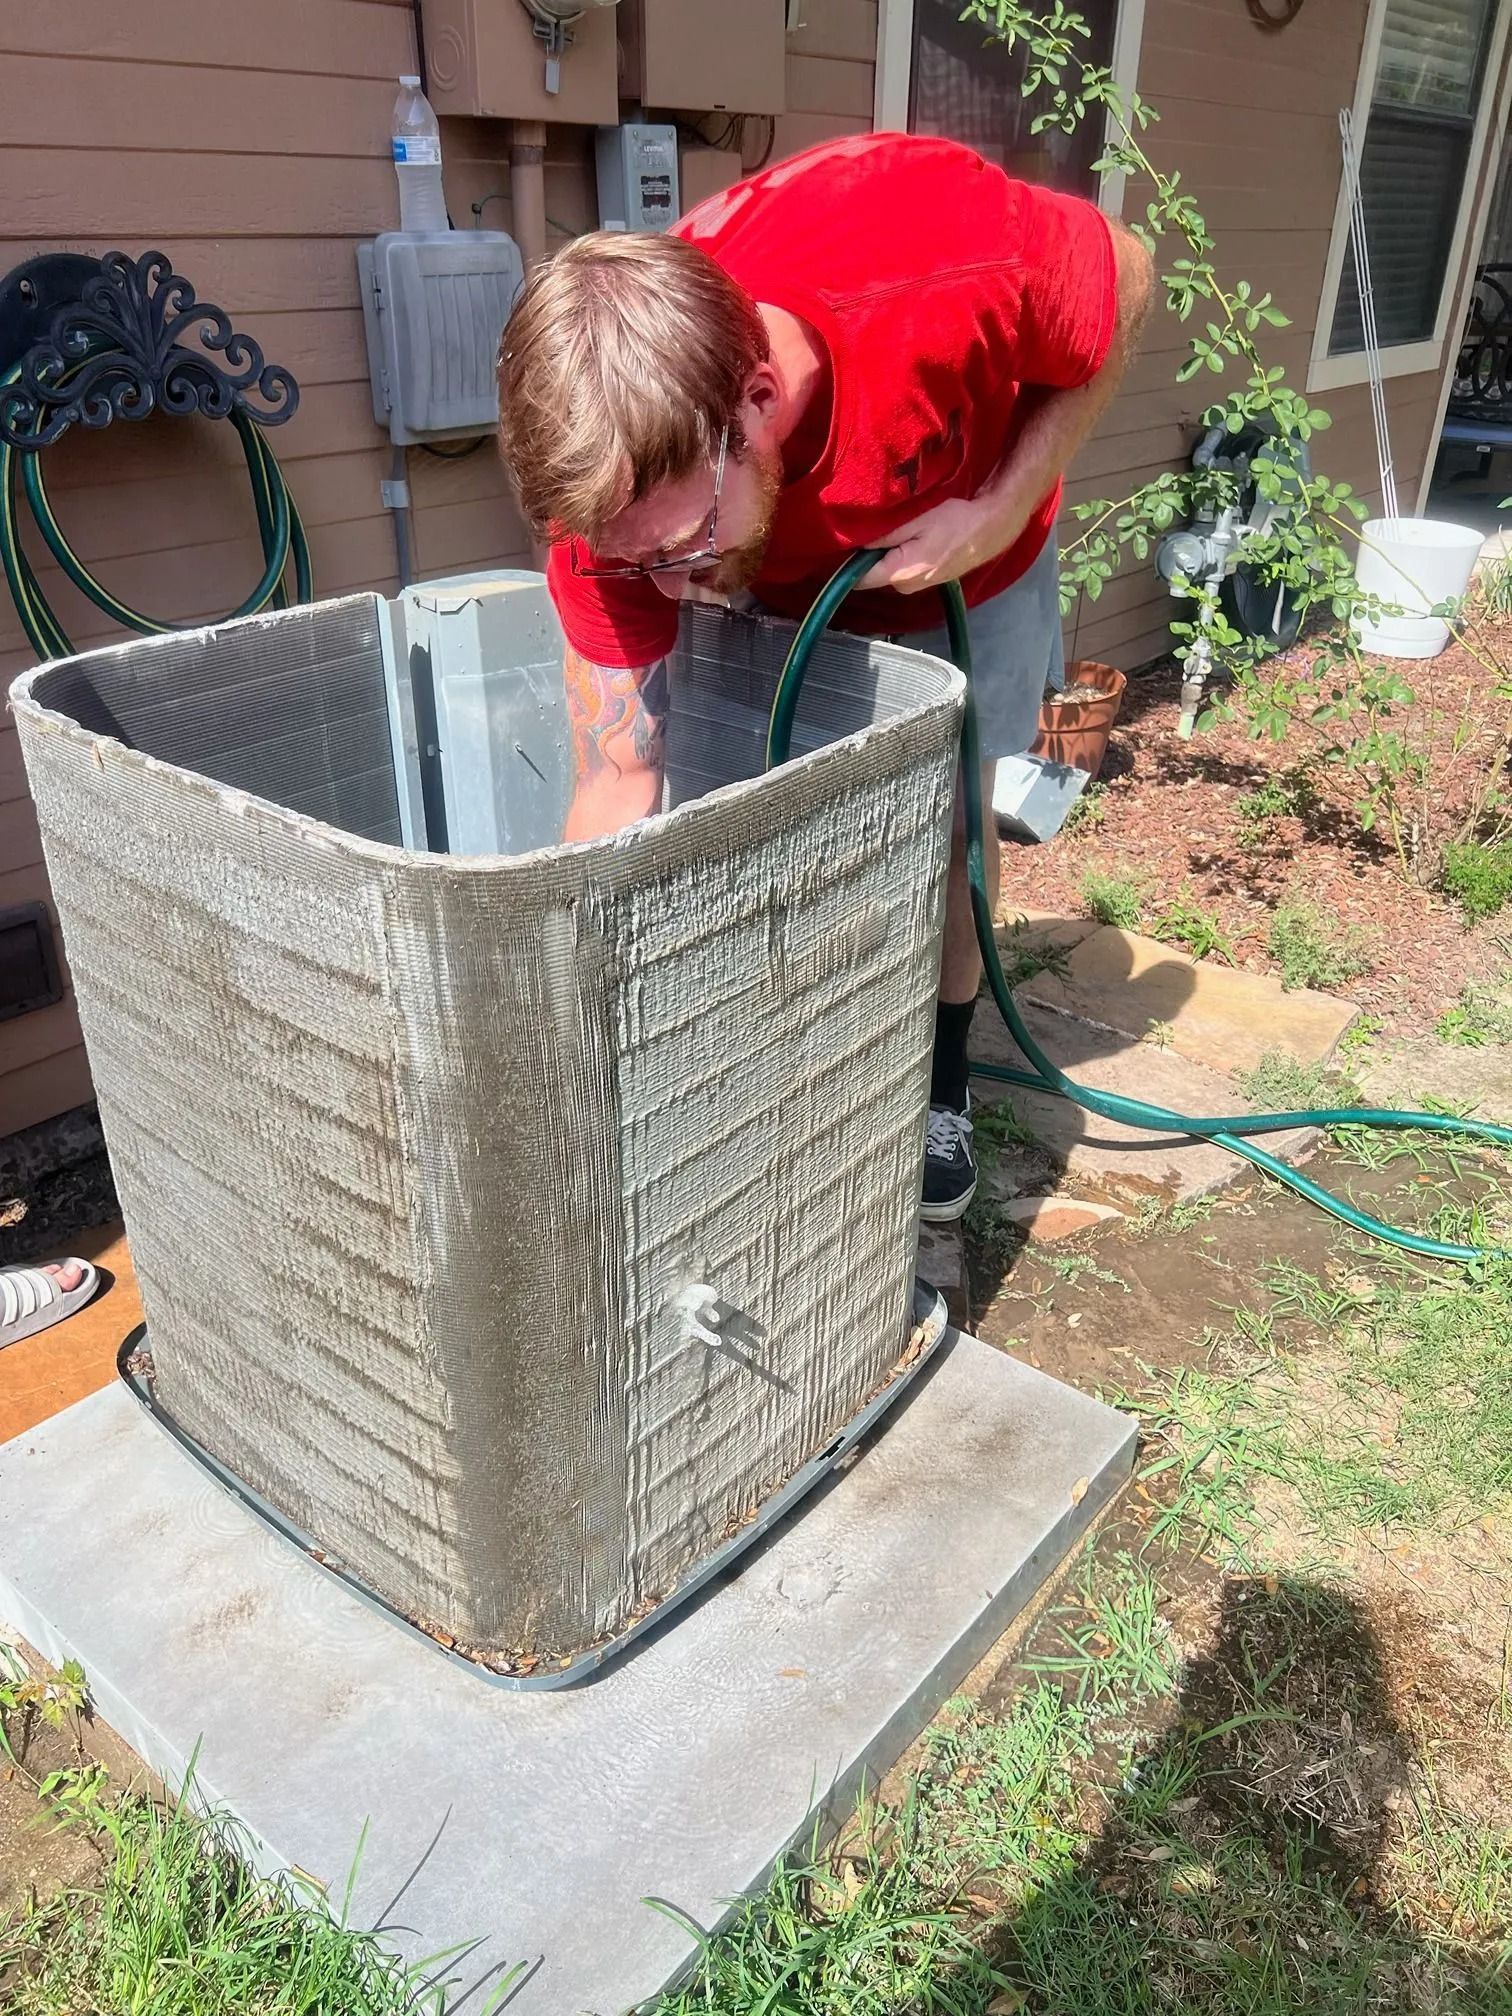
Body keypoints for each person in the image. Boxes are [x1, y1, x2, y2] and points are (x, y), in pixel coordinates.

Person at [497, 132, 1152, 1221]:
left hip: (963, 553)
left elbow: (1125, 280)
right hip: (793, 563)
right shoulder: (612, 514)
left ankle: (940, 1080)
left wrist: (993, 513)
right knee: (739, 807)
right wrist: (568, 1027)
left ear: (758, 399)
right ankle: (771, 1057)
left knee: (948, 827)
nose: (674, 587)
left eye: (684, 546)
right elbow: (618, 775)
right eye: (636, 563)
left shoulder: (935, 260)